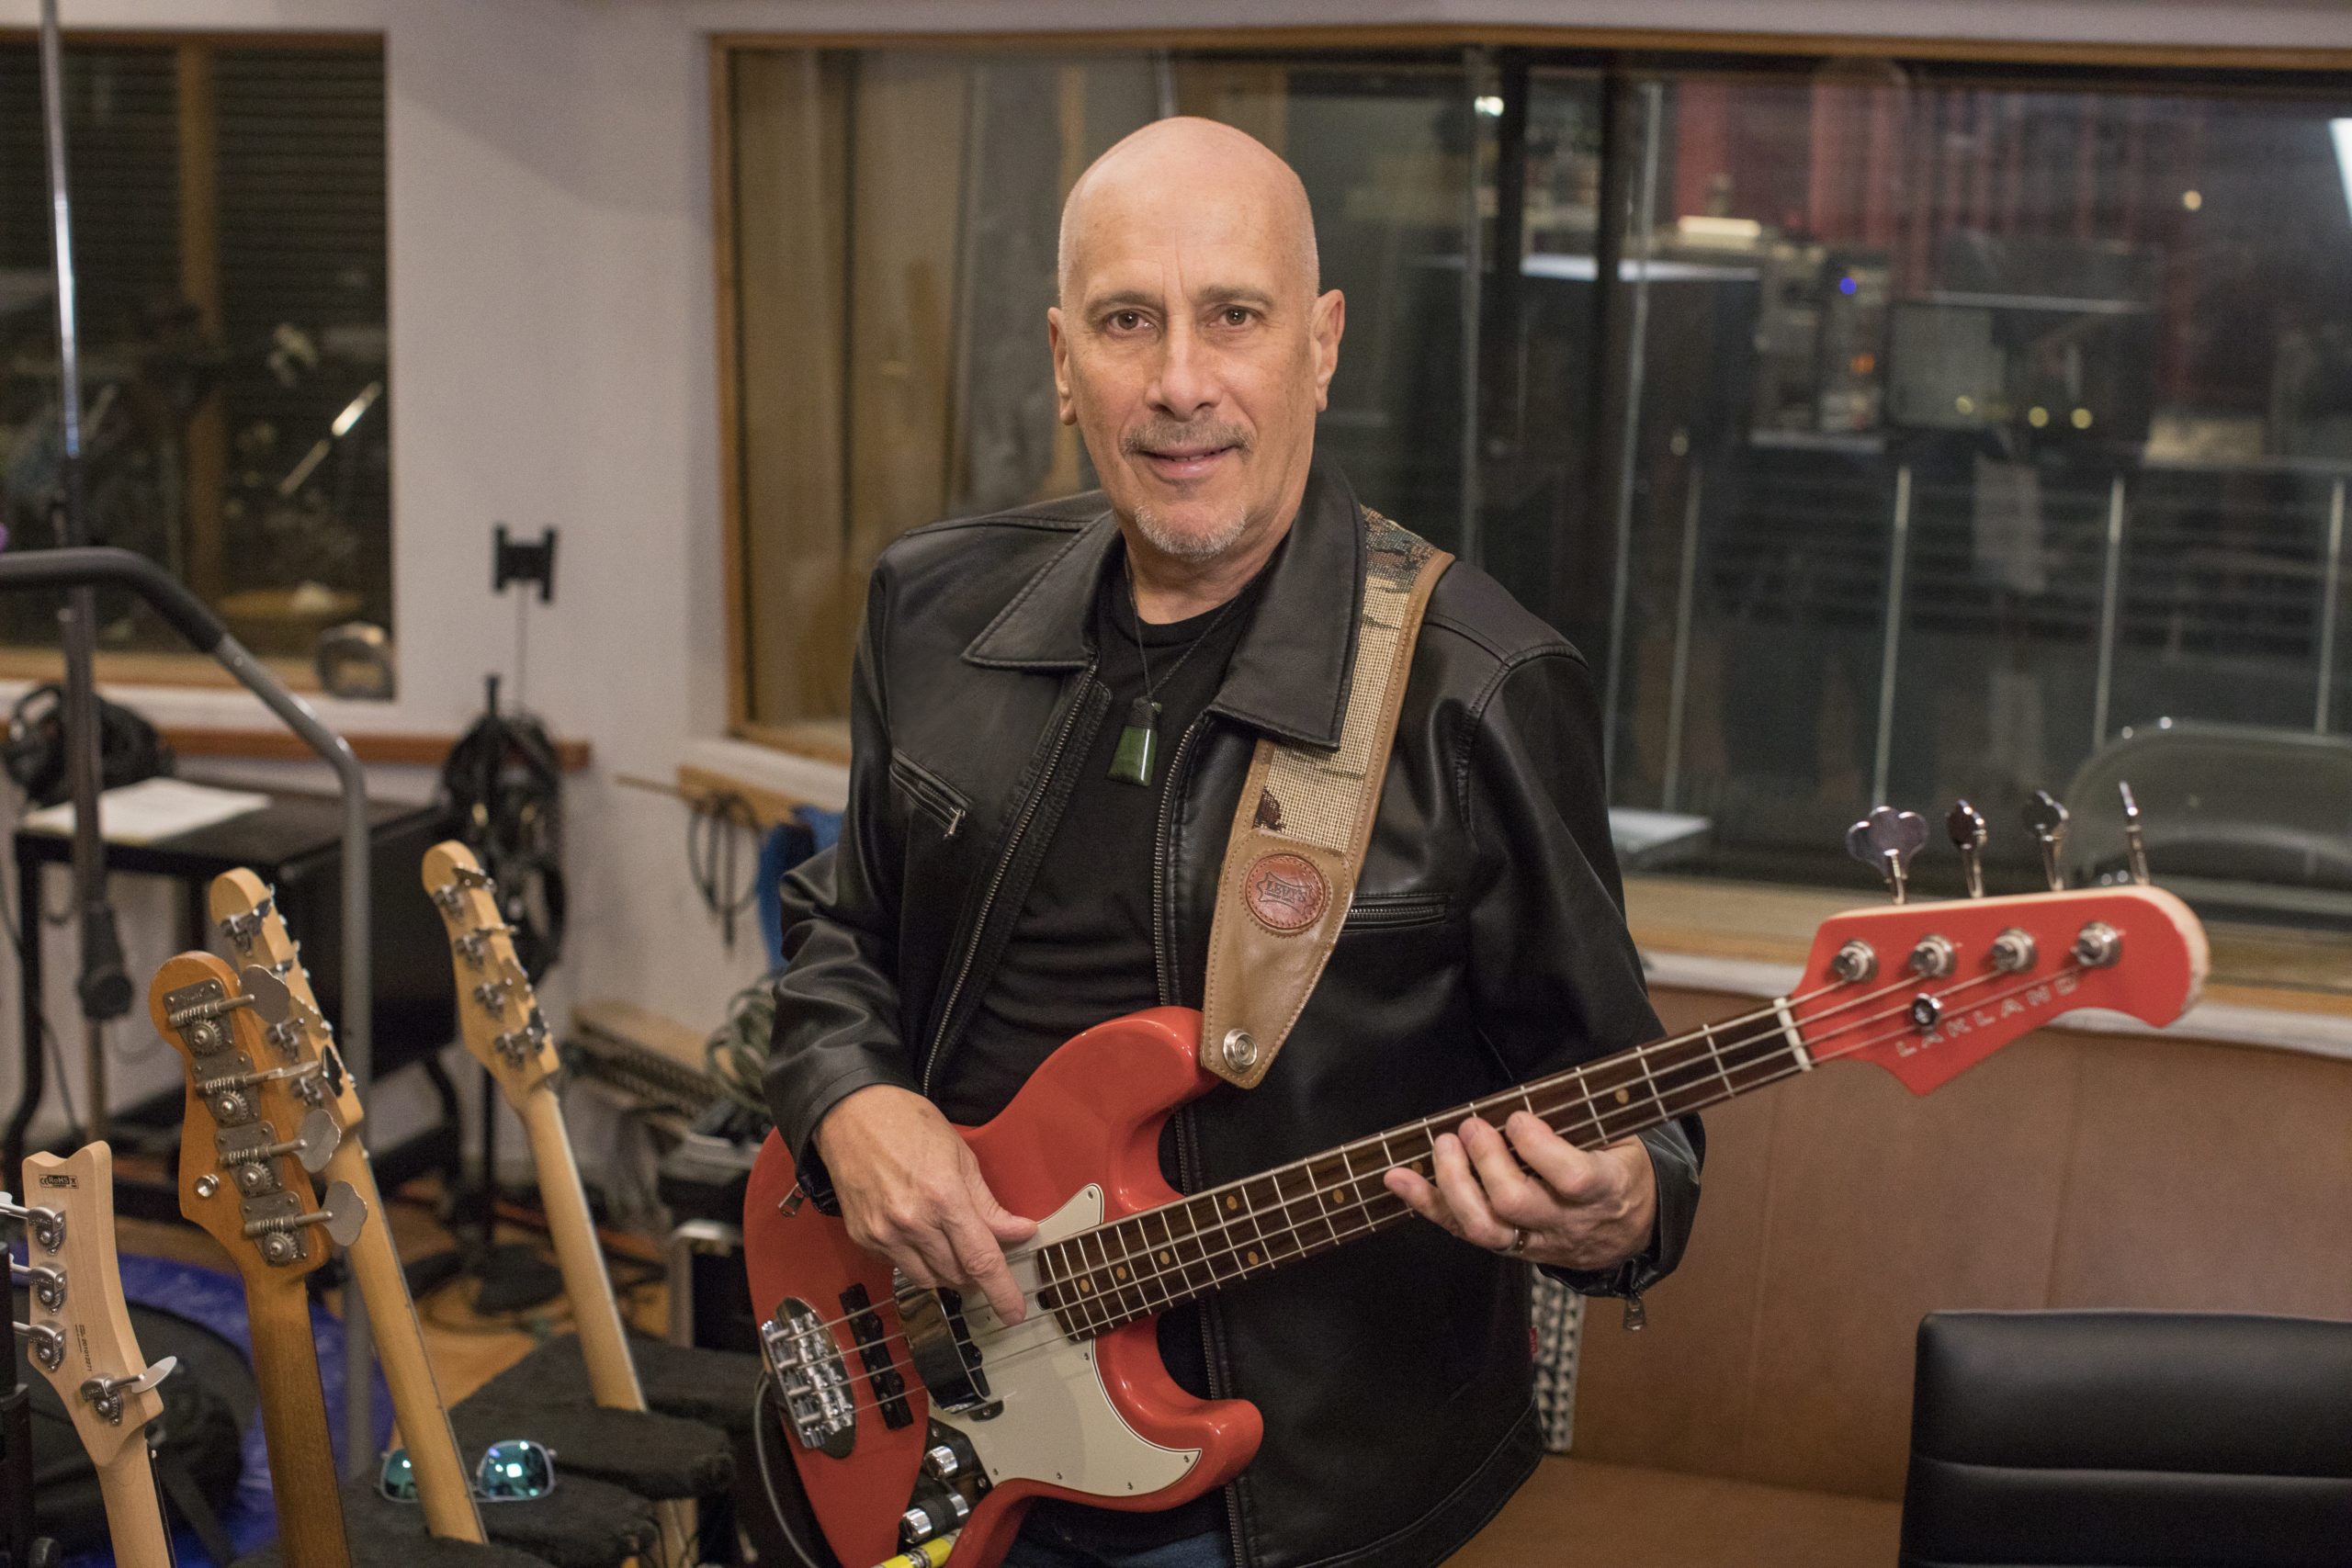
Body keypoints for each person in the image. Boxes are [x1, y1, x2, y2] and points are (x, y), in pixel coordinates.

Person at [765, 117, 1702, 1568]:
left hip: (1282, 1504)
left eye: (1236, 318)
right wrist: (850, 1101)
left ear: (1321, 346)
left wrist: (1626, 1203)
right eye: (1128, 322)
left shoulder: (1475, 691)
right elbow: (842, 932)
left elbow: (1626, 1098)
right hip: (931, 1395)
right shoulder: (932, 609)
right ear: (1063, 358)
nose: (1181, 383)